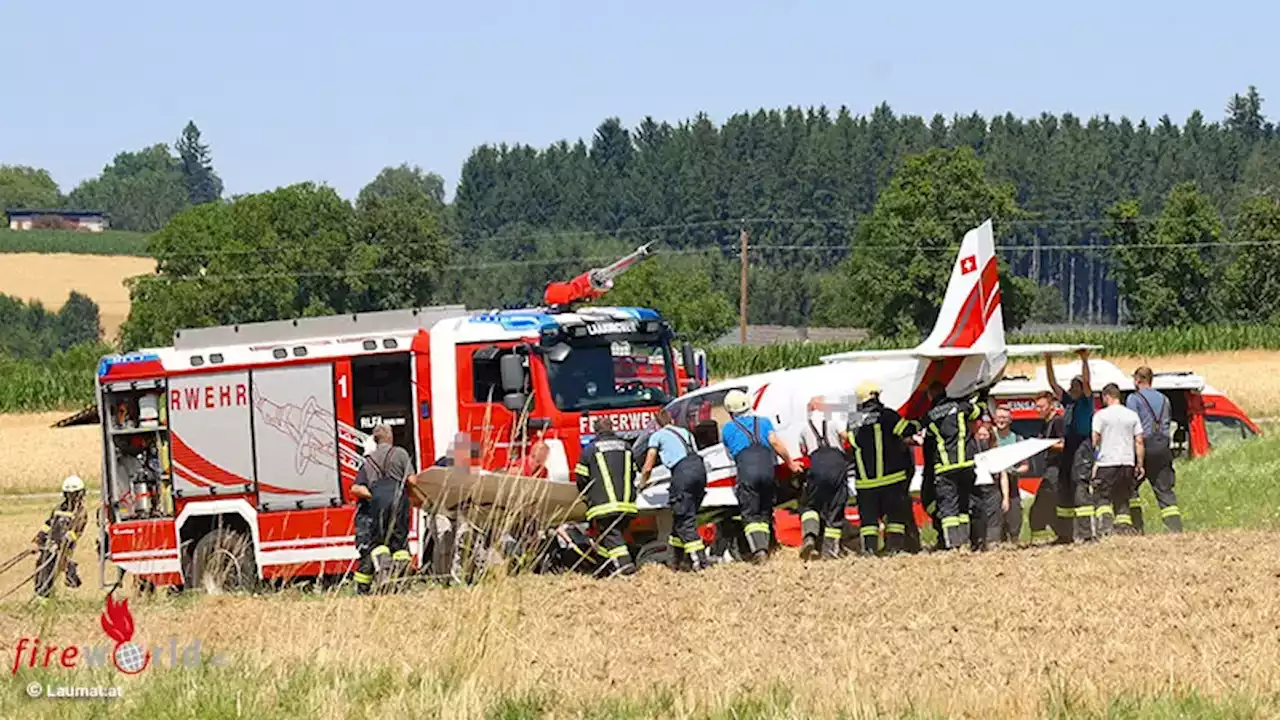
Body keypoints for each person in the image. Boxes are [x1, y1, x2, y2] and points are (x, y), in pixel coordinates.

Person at [720, 389, 801, 563]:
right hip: (767, 471)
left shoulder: (727, 429)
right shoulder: (764, 422)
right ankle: (769, 544)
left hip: (747, 471)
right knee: (765, 510)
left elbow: (730, 456)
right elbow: (775, 442)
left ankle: (759, 550)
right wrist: (790, 463)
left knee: (750, 514)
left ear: (730, 411)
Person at [845, 380, 918, 556]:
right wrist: (917, 423)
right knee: (894, 518)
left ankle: (869, 551)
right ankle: (894, 548)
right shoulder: (886, 415)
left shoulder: (853, 421)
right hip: (891, 479)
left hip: (865, 483)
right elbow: (906, 430)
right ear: (875, 396)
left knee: (869, 521)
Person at [639, 409, 710, 571]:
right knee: (680, 519)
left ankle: (701, 562)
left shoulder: (657, 436)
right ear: (672, 420)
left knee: (685, 521)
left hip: (682, 474)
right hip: (700, 471)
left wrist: (642, 484)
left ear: (657, 424)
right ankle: (675, 561)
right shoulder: (685, 432)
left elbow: (648, 467)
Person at [351, 425, 417, 594]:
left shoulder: (368, 461)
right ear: (390, 437)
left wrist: (373, 497)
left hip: (378, 502)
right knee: (400, 542)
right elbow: (412, 481)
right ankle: (401, 583)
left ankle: (382, 572)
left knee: (378, 541)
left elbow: (356, 488)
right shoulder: (400, 453)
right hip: (398, 499)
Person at [922, 382, 986, 550]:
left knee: (949, 507)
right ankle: (965, 541)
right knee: (964, 504)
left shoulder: (929, 416)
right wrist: (983, 393)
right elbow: (979, 411)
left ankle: (953, 545)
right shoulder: (961, 406)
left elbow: (928, 439)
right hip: (966, 464)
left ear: (930, 396)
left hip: (945, 467)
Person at [574, 418, 638, 576]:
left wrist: (586, 496)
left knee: (611, 535)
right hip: (627, 503)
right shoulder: (627, 447)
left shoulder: (590, 450)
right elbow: (634, 472)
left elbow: (581, 478)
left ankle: (625, 565)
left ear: (596, 431)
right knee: (607, 537)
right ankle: (602, 569)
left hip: (604, 505)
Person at [1045, 350, 1095, 542]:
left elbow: (1088, 382)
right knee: (1064, 485)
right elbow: (1052, 384)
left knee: (1080, 486)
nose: (1071, 388)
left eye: (1075, 386)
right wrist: (1048, 359)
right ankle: (1065, 534)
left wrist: (1084, 359)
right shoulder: (1068, 402)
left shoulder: (1085, 401)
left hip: (1082, 444)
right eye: (1071, 386)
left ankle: (1086, 534)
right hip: (1069, 446)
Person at [1126, 366, 1182, 533]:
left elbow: (1133, 426)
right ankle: (1175, 528)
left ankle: (1136, 528)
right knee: (1164, 490)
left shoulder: (1133, 399)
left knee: (1130, 488)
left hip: (1143, 446)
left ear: (1137, 380)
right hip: (1163, 447)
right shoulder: (1165, 399)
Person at [797, 396, 851, 560]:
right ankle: (830, 551)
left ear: (812, 408)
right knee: (836, 506)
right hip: (837, 466)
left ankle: (810, 536)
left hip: (816, 466)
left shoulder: (804, 427)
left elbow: (804, 451)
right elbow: (845, 437)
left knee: (809, 505)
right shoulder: (834, 420)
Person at [1092, 383, 1144, 537]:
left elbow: (1094, 439)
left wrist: (1092, 460)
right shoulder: (1132, 415)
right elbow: (1139, 441)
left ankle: (1106, 526)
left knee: (1102, 497)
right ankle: (1123, 529)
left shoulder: (1100, 415)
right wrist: (1139, 464)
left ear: (1106, 397)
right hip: (1127, 462)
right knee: (1122, 498)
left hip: (1107, 462)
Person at [33, 475, 88, 598]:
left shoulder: (81, 512)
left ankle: (68, 577)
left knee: (53, 570)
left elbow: (76, 532)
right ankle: (41, 595)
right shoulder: (58, 508)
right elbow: (48, 525)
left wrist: (63, 543)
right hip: (49, 545)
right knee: (41, 567)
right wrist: (38, 540)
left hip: (63, 549)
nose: (73, 498)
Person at [1027, 391, 1065, 544]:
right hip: (1049, 468)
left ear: (1051, 406)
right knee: (1047, 505)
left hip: (1057, 469)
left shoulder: (1058, 421)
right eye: (1036, 407)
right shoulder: (1045, 424)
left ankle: (1056, 536)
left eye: (1041, 406)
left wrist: (1045, 445)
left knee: (1042, 505)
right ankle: (1060, 535)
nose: (1038, 410)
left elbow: (1064, 444)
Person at [992, 406, 1029, 544]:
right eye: (999, 417)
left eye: (1004, 418)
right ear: (994, 419)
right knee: (996, 519)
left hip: (1012, 482)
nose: (1001, 421)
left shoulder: (1017, 439)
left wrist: (1014, 471)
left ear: (1010, 420)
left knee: (1014, 518)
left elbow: (1025, 466)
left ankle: (1014, 542)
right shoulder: (989, 437)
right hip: (993, 483)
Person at [970, 423, 1001, 550]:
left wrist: (1004, 496)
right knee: (977, 517)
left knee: (993, 519)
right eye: (980, 435)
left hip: (992, 490)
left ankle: (993, 543)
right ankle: (978, 543)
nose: (982, 437)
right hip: (977, 489)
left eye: (985, 435)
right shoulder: (971, 450)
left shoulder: (995, 451)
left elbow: (1002, 475)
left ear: (990, 436)